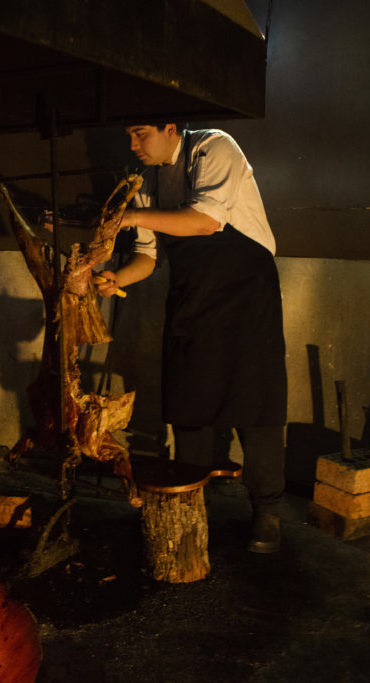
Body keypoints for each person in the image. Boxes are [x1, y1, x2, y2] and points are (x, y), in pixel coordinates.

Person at [95, 122, 287, 553]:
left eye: (141, 133)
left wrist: (130, 216)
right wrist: (116, 277)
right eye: (127, 135)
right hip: (192, 300)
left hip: (245, 297)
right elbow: (147, 256)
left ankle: (267, 511)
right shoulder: (146, 183)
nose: (133, 144)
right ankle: (190, 505)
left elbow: (204, 221)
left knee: (258, 406)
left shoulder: (213, 148)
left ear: (169, 128)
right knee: (189, 405)